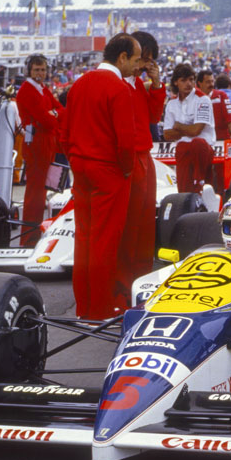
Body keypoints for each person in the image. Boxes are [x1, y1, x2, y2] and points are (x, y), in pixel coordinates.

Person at [61, 34, 141, 319]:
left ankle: (84, 306)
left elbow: (65, 132)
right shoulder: (118, 88)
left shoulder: (79, 83)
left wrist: (75, 159)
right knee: (105, 242)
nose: (137, 65)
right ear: (121, 57)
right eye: (134, 59)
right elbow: (126, 141)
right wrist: (126, 169)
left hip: (81, 167)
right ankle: (101, 309)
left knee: (83, 239)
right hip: (108, 170)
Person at [121, 30, 167, 283]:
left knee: (145, 224)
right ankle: (127, 280)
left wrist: (158, 85)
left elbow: (153, 117)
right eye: (142, 59)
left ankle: (141, 278)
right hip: (130, 158)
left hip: (144, 156)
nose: (143, 66)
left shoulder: (138, 83)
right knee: (130, 227)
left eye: (148, 60)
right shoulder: (120, 83)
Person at [16, 55, 65, 246]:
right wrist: (53, 115)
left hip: (45, 143)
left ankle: (33, 236)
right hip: (36, 145)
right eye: (36, 70)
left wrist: (53, 114)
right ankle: (28, 239)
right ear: (29, 70)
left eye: (42, 70)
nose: (40, 73)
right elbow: (47, 120)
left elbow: (59, 109)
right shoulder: (28, 91)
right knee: (35, 195)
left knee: (41, 194)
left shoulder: (41, 88)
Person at [163, 63, 216, 193]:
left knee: (197, 142)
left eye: (191, 80)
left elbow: (196, 131)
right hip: (183, 150)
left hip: (203, 150)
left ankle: (200, 183)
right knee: (183, 192)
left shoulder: (203, 100)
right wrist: (187, 128)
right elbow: (167, 135)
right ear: (176, 82)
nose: (188, 84)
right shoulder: (171, 104)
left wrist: (179, 126)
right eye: (184, 80)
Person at [196, 70, 231, 144]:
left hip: (220, 140)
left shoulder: (221, 95)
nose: (211, 84)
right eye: (208, 82)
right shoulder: (194, 97)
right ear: (200, 83)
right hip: (200, 141)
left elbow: (230, 117)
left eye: (212, 81)